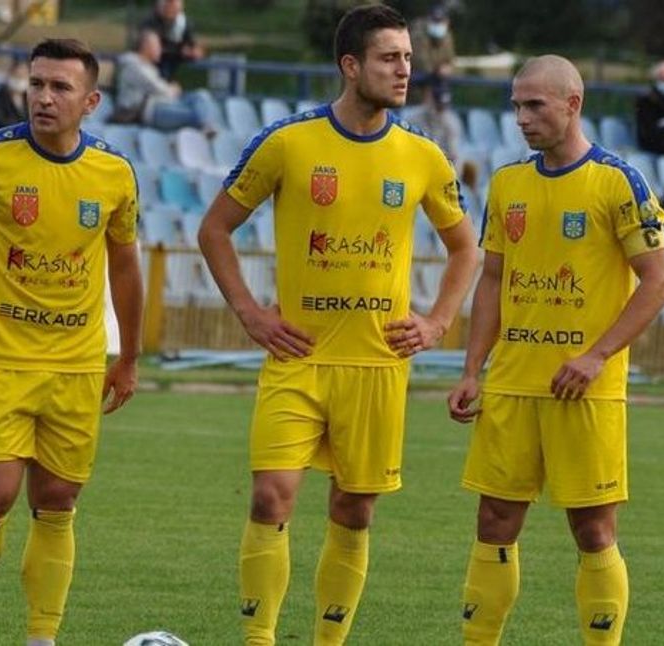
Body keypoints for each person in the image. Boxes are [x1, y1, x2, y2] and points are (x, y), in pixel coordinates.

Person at [198, 6, 478, 644]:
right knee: (271, 498)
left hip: (377, 365)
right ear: (350, 66)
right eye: (389, 58)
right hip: (298, 357)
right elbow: (213, 228)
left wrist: (436, 322)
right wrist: (249, 310)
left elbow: (467, 248)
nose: (404, 69)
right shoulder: (288, 143)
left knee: (353, 511)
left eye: (408, 57)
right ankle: (260, 639)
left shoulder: (423, 156)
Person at [447, 55, 664, 646]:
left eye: (534, 105)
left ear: (573, 104)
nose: (521, 118)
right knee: (493, 522)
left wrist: (597, 356)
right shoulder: (509, 183)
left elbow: (658, 281)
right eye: (516, 105)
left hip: (586, 389)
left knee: (594, 530)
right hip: (513, 383)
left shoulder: (617, 181)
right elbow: (492, 278)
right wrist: (473, 368)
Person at [0, 38, 143, 646]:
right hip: (1, 359)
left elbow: (125, 268)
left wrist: (128, 358)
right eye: (37, 84)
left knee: (57, 500)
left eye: (61, 87)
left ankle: (41, 638)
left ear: (90, 100)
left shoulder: (114, 173)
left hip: (76, 366)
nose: (44, 97)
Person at [114, 29, 218, 131]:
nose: (161, 49)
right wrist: (173, 89)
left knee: (201, 95)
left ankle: (208, 126)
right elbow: (158, 89)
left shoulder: (147, 66)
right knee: (197, 116)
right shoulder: (133, 66)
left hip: (163, 103)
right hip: (149, 112)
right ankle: (207, 127)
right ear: (146, 46)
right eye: (158, 45)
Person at [138, 0, 205, 81]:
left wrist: (194, 52)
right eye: (168, 4)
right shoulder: (150, 22)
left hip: (171, 68)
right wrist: (180, 51)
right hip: (149, 67)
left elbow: (194, 46)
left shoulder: (183, 22)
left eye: (174, 5)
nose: (170, 8)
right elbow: (152, 50)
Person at [408, 2, 455, 102]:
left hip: (436, 85)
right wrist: (438, 70)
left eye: (440, 21)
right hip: (416, 85)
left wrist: (447, 68)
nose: (437, 25)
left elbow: (450, 60)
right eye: (435, 21)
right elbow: (420, 62)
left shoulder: (447, 36)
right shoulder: (418, 35)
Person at [413, 83, 462, 165]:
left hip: (440, 164)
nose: (441, 111)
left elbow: (453, 155)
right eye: (438, 106)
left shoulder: (452, 122)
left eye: (443, 107)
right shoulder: (414, 118)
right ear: (430, 100)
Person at [0, 60, 29, 130]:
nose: (20, 79)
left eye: (23, 76)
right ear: (10, 74)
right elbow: (0, 121)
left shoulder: (28, 96)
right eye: (17, 75)